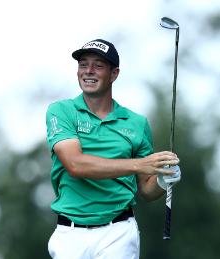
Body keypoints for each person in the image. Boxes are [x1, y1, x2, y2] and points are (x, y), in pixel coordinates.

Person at [45, 39, 182, 259]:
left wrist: (162, 181)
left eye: (98, 65)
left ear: (114, 74)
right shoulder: (62, 111)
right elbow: (75, 164)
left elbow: (145, 190)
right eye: (83, 64)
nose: (88, 71)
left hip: (118, 232)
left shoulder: (136, 123)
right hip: (69, 234)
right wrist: (140, 164)